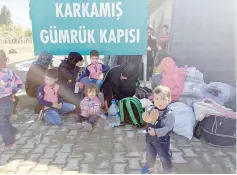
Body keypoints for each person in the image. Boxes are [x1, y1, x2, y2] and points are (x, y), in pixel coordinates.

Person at [141, 86, 174, 174]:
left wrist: (156, 132)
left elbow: (168, 128)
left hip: (162, 140)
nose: (160, 102)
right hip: (150, 139)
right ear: (153, 100)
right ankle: (149, 167)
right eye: (157, 98)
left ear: (169, 99)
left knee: (164, 157)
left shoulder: (169, 114)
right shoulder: (152, 109)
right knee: (150, 155)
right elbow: (148, 121)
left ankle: (168, 170)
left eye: (163, 99)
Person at [0, 50, 22, 150]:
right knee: (4, 120)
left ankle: (9, 143)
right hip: (9, 101)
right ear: (5, 60)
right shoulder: (9, 72)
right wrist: (13, 92)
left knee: (2, 123)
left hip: (1, 103)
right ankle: (14, 132)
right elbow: (19, 83)